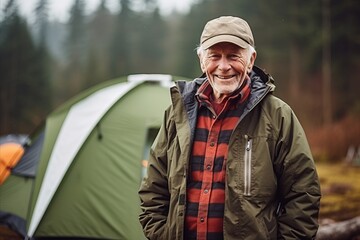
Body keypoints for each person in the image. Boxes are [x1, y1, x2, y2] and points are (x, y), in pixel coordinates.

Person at [138, 16, 321, 240]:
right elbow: (153, 189)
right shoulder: (177, 114)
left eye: (233, 56)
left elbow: (303, 193)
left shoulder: (278, 116)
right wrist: (162, 234)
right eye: (214, 56)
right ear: (202, 61)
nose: (223, 67)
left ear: (251, 59)